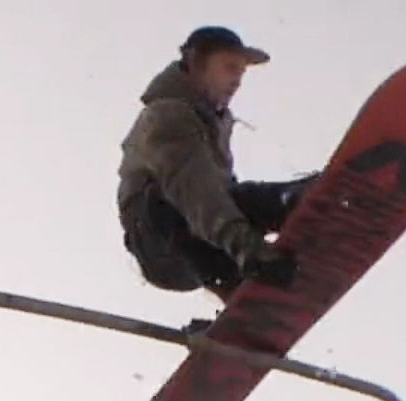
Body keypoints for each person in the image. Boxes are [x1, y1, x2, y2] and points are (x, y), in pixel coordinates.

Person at [117, 26, 316, 304]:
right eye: (230, 68)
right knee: (195, 201)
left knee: (240, 197)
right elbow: (197, 194)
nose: (237, 82)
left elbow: (221, 197)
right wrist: (249, 249)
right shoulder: (168, 115)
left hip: (199, 237)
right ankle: (240, 270)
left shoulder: (212, 121)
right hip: (161, 246)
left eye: (241, 73)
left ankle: (301, 203)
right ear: (197, 64)